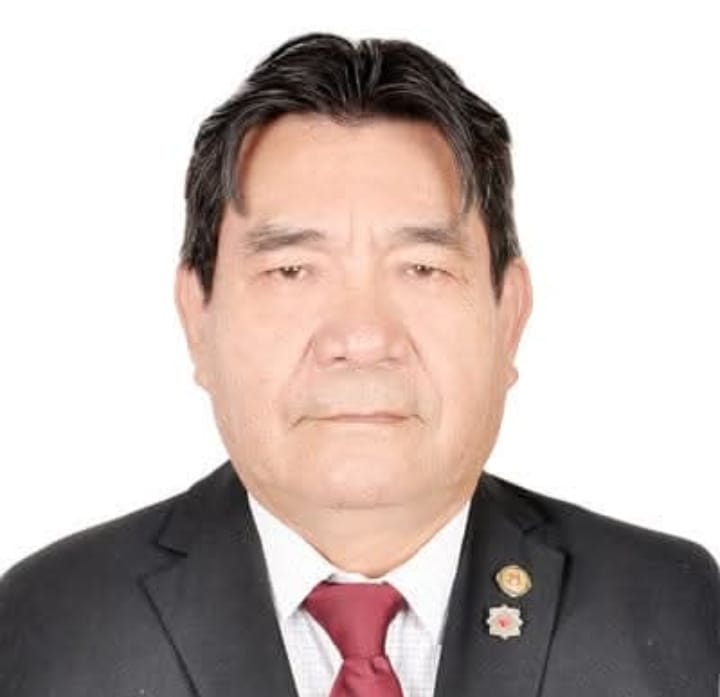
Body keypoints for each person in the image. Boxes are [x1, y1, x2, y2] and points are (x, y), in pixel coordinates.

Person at [0, 31, 718, 697]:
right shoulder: (49, 628)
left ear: (510, 315)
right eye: (291, 270)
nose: (363, 336)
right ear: (198, 317)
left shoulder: (676, 613)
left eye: (423, 268)